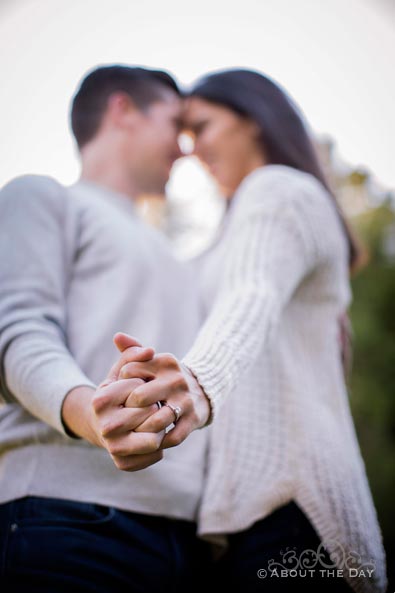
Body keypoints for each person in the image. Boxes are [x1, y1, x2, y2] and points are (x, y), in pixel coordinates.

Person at [115, 69, 387, 593]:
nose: (193, 150)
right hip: (240, 515)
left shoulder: (279, 191)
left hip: (294, 505)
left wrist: (197, 380)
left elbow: (252, 295)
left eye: (204, 127)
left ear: (254, 120)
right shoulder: (227, 232)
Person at [0, 65, 212, 593]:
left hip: (189, 540)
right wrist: (95, 420)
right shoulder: (44, 197)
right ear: (123, 111)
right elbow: (16, 334)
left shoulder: (182, 258)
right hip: (63, 520)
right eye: (175, 125)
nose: (186, 150)